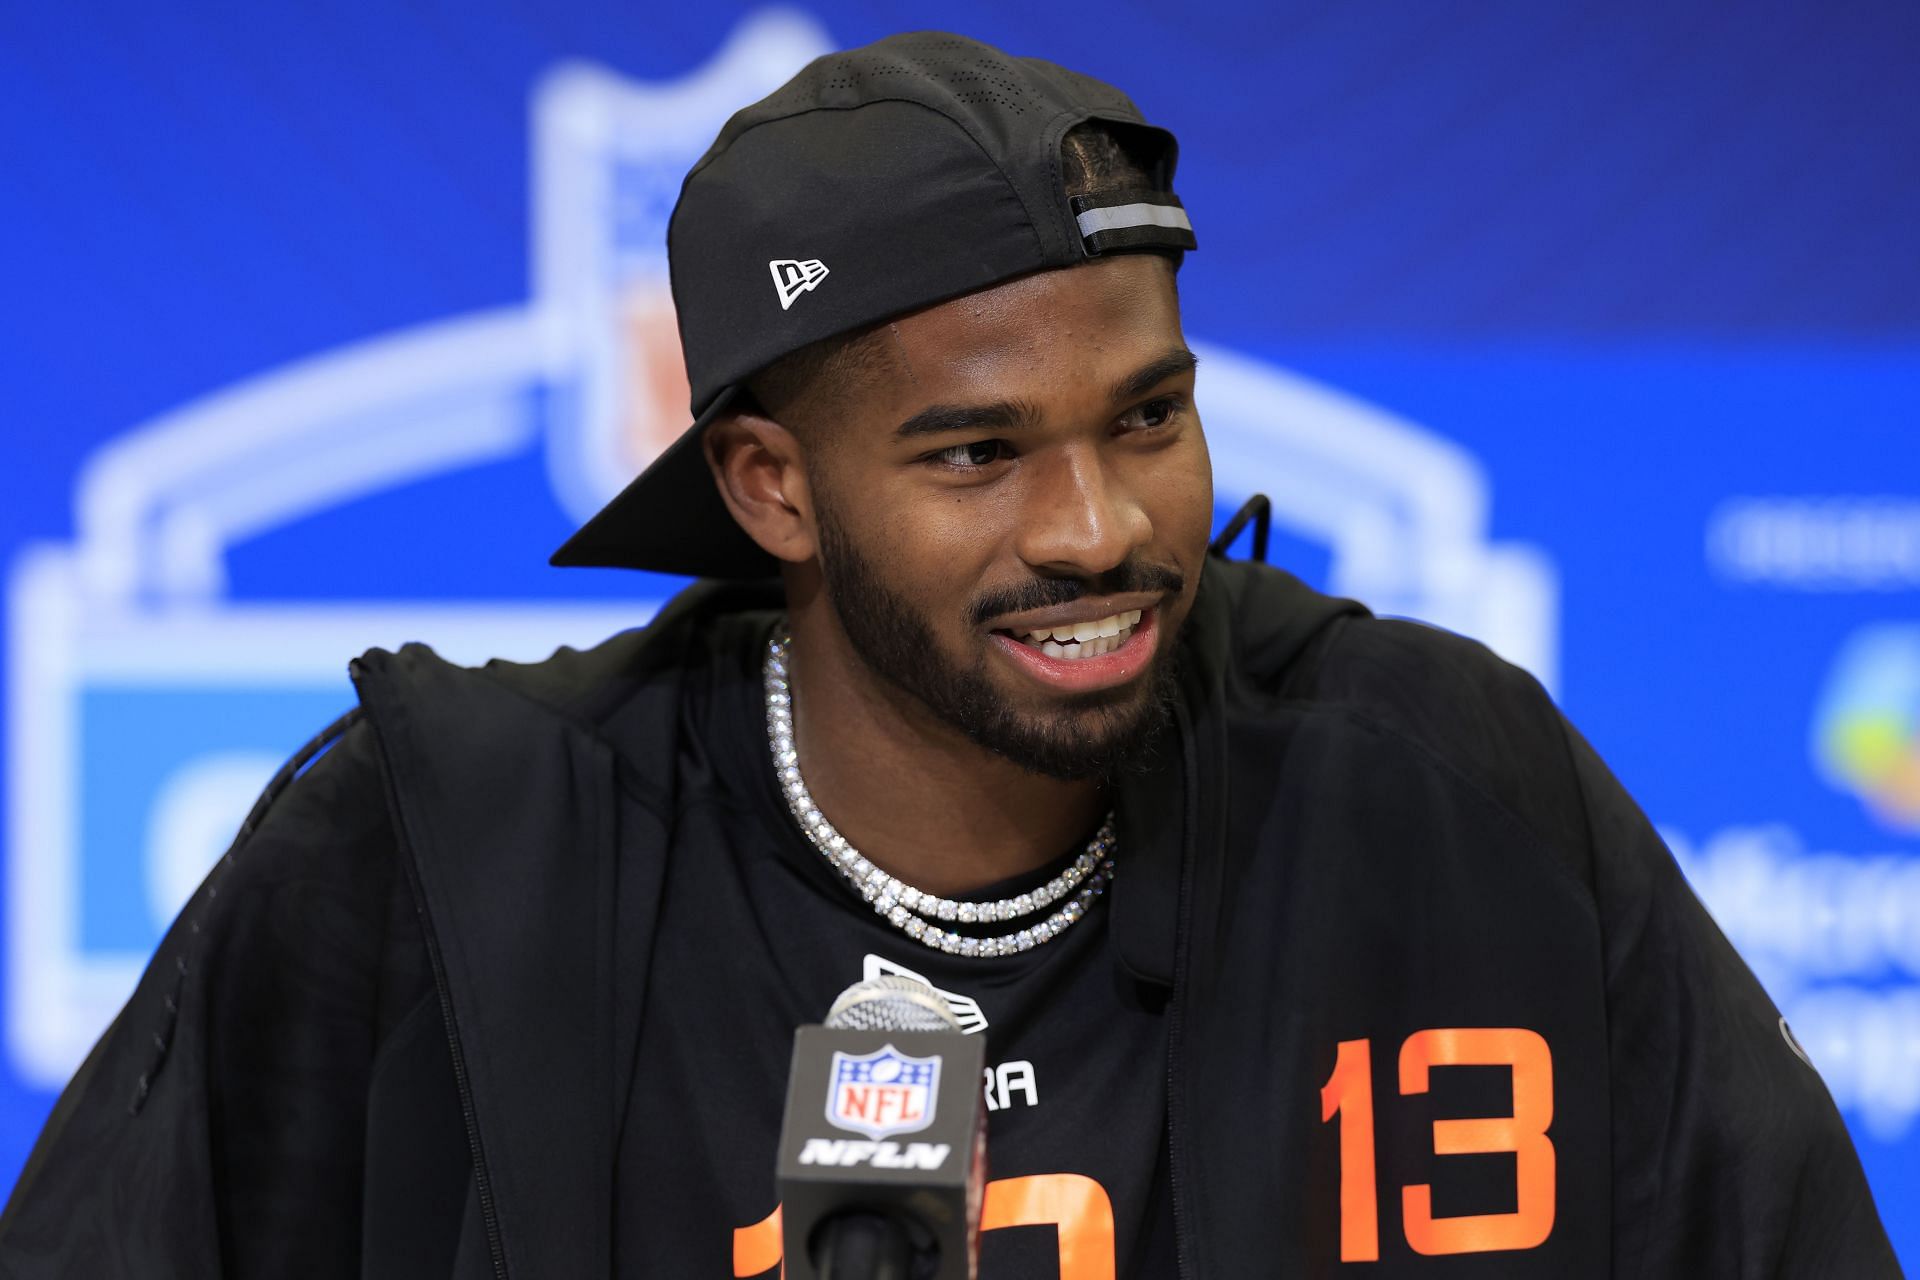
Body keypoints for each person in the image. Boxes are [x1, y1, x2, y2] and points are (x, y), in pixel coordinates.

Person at [0, 30, 1901, 1280]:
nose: (1097, 526)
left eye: (1147, 417)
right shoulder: (442, 866)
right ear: (769, 488)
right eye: (977, 451)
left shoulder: (1448, 792)